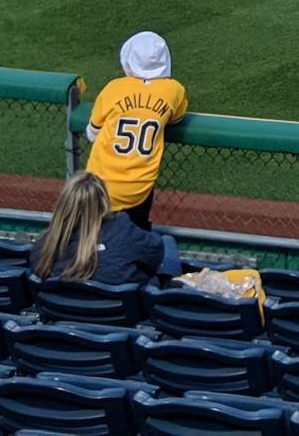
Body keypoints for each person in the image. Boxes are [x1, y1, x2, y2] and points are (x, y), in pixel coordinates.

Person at [85, 32, 189, 228]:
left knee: (90, 237)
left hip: (98, 183)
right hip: (138, 189)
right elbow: (177, 118)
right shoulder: (173, 90)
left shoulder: (113, 88)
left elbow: (92, 132)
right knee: (134, 239)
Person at [31, 169, 179, 287]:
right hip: (120, 320)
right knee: (166, 241)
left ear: (64, 205)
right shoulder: (123, 230)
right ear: (104, 203)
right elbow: (154, 257)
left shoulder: (44, 245)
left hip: (59, 317)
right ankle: (170, 301)